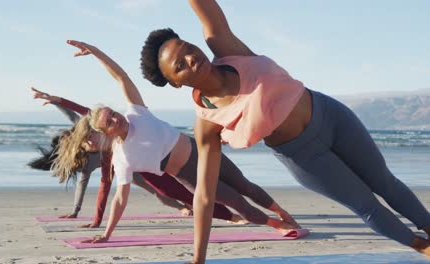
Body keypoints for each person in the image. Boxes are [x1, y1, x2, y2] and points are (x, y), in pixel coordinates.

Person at [139, 0, 430, 262]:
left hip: (331, 116)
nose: (191, 58)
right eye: (180, 65)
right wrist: (198, 259)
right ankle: (421, 246)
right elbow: (204, 195)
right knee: (366, 206)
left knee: (385, 182)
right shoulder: (207, 123)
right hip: (305, 157)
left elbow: (206, 8)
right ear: (176, 83)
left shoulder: (227, 50)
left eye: (188, 49)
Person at [65, 39, 300, 243]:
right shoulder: (122, 157)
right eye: (110, 122)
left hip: (203, 151)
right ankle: (277, 225)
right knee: (238, 202)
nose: (116, 119)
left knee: (245, 186)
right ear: (107, 132)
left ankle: (283, 212)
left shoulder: (137, 112)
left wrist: (95, 52)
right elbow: (119, 200)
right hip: (189, 176)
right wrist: (107, 234)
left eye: (113, 113)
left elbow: (121, 76)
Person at [30, 88, 248, 226]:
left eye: (89, 139)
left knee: (199, 180)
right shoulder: (100, 158)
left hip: (151, 151)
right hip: (138, 167)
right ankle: (230, 216)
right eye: (87, 145)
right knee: (168, 191)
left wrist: (57, 99)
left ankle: (238, 199)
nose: (90, 143)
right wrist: (96, 221)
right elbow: (105, 185)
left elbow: (80, 112)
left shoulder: (96, 126)